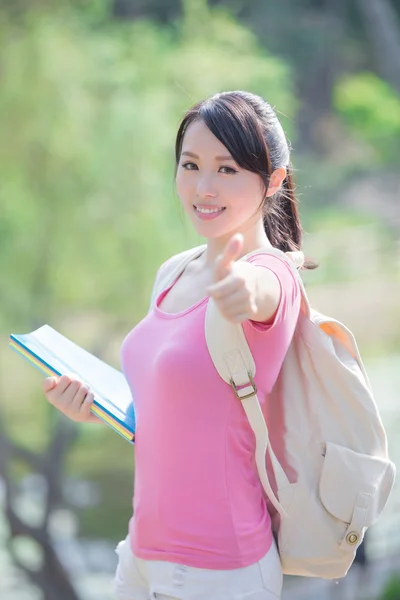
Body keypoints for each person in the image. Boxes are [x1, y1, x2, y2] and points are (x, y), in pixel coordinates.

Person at [43, 90, 312, 600]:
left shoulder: (271, 275)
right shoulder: (174, 272)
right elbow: (178, 416)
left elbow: (262, 295)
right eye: (190, 165)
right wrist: (96, 408)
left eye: (227, 169)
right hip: (141, 554)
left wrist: (242, 291)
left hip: (219, 567)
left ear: (273, 180)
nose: (203, 187)